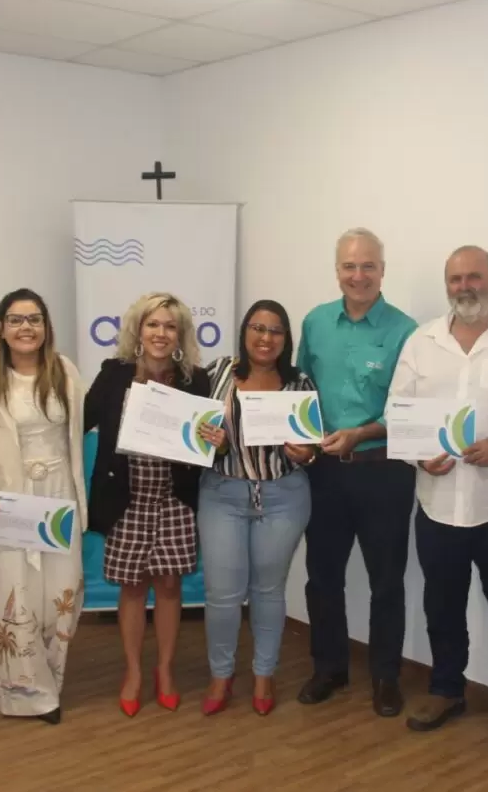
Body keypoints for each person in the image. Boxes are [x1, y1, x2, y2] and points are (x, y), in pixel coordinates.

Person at [388, 246, 488, 750]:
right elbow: (398, 412)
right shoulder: (421, 342)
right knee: (442, 607)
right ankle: (446, 689)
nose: (465, 286)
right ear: (446, 285)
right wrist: (419, 457)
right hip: (437, 504)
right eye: (456, 279)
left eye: (474, 276)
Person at [295, 227, 419, 717]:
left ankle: (386, 676)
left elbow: (409, 410)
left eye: (368, 266)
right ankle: (329, 668)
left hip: (383, 470)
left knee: (386, 580)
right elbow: (300, 390)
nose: (359, 275)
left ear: (382, 271)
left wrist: (362, 433)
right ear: (337, 271)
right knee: (322, 576)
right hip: (324, 472)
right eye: (350, 266)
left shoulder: (406, 331)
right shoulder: (315, 322)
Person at [85, 292, 213, 717]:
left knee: (170, 586)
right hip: (127, 499)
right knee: (133, 587)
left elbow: (207, 441)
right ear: (138, 329)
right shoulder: (114, 374)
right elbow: (79, 420)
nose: (161, 333)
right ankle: (134, 673)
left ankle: (165, 671)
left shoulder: (196, 380)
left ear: (180, 334)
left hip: (174, 500)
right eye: (153, 324)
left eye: (170, 326)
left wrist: (214, 439)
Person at [0, 289, 86, 725]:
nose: (26, 328)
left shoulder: (65, 372)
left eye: (34, 319)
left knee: (60, 594)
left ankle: (51, 678)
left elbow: (84, 426)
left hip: (57, 497)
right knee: (16, 594)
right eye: (16, 320)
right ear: (1, 328)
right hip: (10, 501)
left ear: (46, 327)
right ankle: (26, 693)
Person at [199, 300, 318, 717]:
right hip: (222, 495)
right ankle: (221, 675)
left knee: (268, 590)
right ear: (244, 332)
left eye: (275, 331)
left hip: (283, 497)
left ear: (286, 339)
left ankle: (264, 673)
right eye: (257, 328)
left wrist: (306, 453)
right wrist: (212, 442)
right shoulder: (217, 372)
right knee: (222, 594)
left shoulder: (299, 383)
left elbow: (311, 448)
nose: (265, 338)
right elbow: (192, 432)